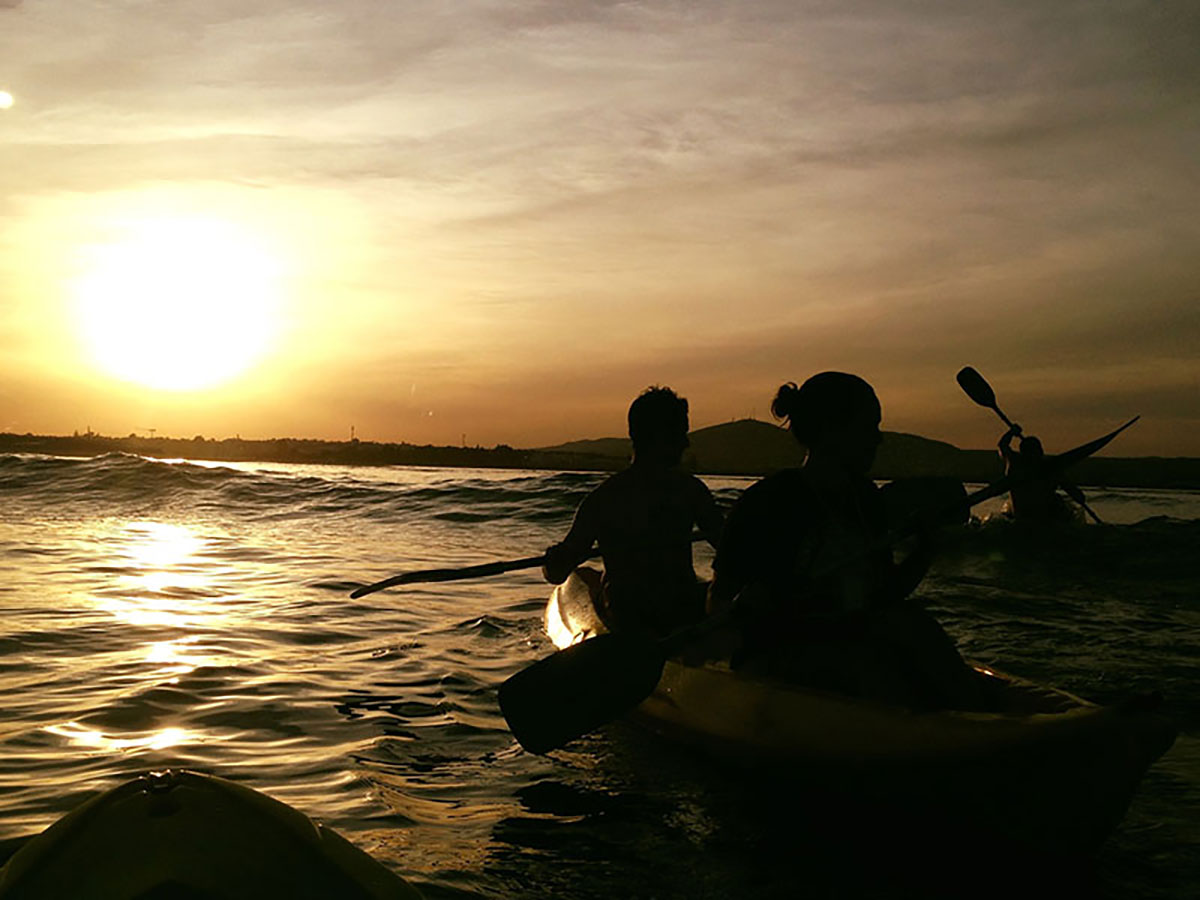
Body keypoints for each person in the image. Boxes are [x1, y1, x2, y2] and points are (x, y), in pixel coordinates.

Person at [708, 372, 986, 710]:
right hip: (779, 649)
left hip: (848, 634)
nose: (878, 439)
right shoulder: (768, 501)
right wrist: (747, 608)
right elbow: (718, 600)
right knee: (868, 666)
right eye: (869, 426)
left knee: (913, 622)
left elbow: (882, 595)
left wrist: (925, 548)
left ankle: (976, 714)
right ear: (831, 430)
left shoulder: (865, 499)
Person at [542, 387, 724, 638]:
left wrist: (553, 559)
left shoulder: (603, 498)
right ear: (657, 438)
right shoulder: (691, 491)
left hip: (628, 613)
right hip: (681, 610)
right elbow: (729, 548)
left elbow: (557, 573)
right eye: (679, 434)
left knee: (597, 583)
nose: (685, 443)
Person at [997, 424, 1082, 523]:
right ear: (1040, 452)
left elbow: (1002, 445)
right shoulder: (1049, 469)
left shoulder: (1015, 462)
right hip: (1042, 519)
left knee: (1059, 501)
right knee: (1060, 502)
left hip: (1024, 517)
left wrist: (1011, 433)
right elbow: (1078, 495)